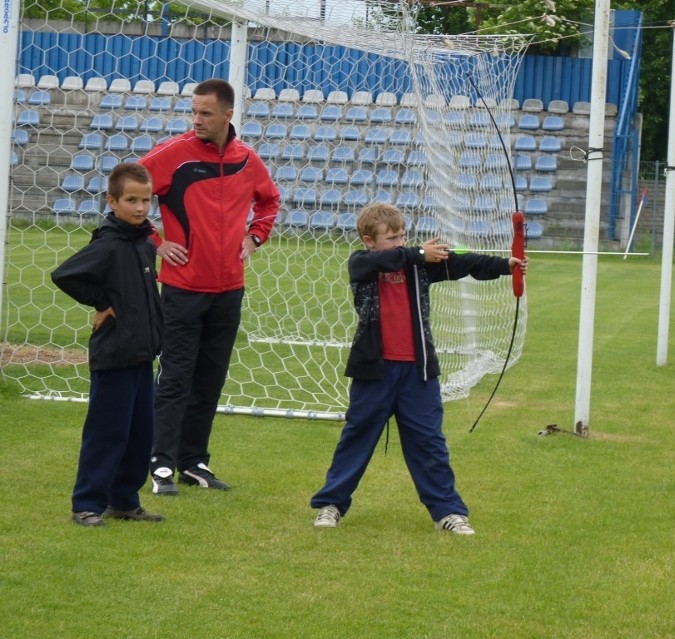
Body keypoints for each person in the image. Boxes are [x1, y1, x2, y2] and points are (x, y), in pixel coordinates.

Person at [310, 203, 528, 535]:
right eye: (392, 237)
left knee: (429, 442)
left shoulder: (419, 265)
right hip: (374, 372)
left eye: (403, 236)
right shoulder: (363, 262)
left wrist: (504, 264)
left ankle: (448, 512)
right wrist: (416, 252)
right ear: (369, 241)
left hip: (418, 373)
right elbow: (378, 262)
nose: (400, 242)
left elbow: (462, 261)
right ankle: (331, 505)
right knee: (357, 437)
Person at [139, 78, 280, 495]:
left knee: (210, 378)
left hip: (230, 288)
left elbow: (269, 201)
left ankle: (194, 462)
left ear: (228, 116)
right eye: (194, 112)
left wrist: (254, 238)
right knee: (176, 377)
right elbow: (124, 191)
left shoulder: (246, 159)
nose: (197, 120)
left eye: (206, 113)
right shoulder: (173, 156)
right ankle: (160, 465)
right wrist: (158, 241)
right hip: (183, 288)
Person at [51, 163, 165, 527]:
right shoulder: (109, 243)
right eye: (131, 200)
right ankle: (86, 504)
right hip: (114, 355)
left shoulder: (146, 243)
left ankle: (124, 501)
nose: (140, 208)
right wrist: (101, 301)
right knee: (107, 433)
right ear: (112, 201)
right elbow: (65, 274)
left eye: (146, 200)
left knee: (139, 434)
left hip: (142, 354)